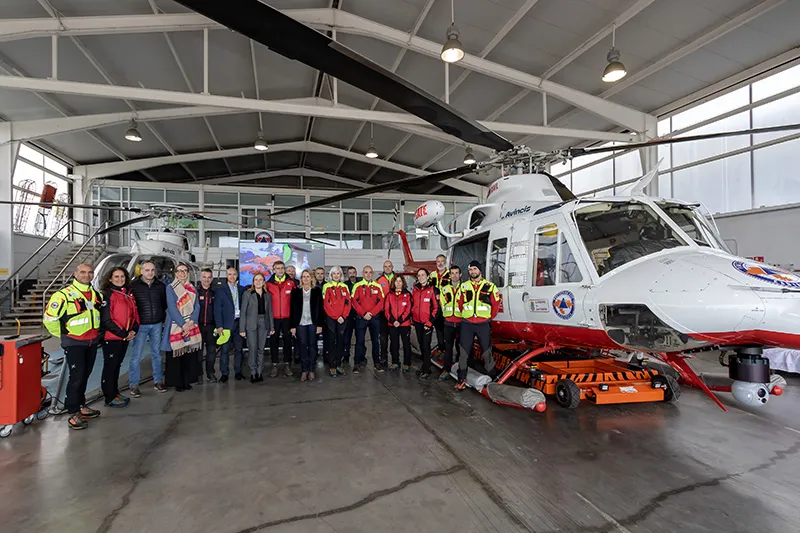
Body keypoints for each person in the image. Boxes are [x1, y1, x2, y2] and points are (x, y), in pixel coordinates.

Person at [43, 263, 103, 430]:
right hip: (74, 343)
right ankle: (73, 412)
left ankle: (82, 405)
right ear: (75, 274)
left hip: (91, 342)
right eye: (83, 272)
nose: (86, 275)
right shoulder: (63, 296)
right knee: (76, 377)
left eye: (90, 272)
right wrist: (65, 335)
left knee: (85, 375)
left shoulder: (95, 295)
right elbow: (49, 319)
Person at [455, 260, 500, 391]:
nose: (472, 272)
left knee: (487, 352)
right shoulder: (464, 286)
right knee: (463, 353)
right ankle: (461, 379)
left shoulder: (490, 286)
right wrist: (467, 315)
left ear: (480, 270)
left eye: (475, 269)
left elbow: (495, 305)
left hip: (483, 324)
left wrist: (487, 318)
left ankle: (493, 379)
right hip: (467, 324)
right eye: (470, 270)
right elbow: (459, 302)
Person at [99, 267, 139, 408]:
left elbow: (133, 313)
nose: (120, 279)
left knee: (117, 366)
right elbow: (107, 320)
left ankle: (114, 393)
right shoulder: (107, 295)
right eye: (116, 277)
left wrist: (134, 329)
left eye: (122, 276)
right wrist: (123, 333)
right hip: (112, 338)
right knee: (110, 367)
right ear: (110, 278)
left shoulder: (126, 294)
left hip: (123, 338)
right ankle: (109, 397)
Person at [129, 260, 168, 396]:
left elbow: (164, 304)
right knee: (136, 356)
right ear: (141, 271)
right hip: (140, 326)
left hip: (156, 324)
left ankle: (158, 381)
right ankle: (134, 384)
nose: (150, 273)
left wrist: (160, 318)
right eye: (147, 270)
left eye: (152, 270)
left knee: (156, 354)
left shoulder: (160, 286)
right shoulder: (133, 286)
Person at [161, 263, 201, 392]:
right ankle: (177, 382)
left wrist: (191, 322)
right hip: (176, 325)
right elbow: (172, 307)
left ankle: (186, 380)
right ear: (175, 273)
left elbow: (197, 306)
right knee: (177, 355)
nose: (182, 273)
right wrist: (183, 324)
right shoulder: (171, 288)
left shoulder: (192, 288)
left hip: (190, 325)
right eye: (180, 271)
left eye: (185, 271)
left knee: (188, 355)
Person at [291, 269, 325, 382]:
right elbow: (292, 310)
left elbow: (321, 309)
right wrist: (293, 326)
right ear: (301, 279)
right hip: (300, 324)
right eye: (303, 276)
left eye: (308, 276)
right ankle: (304, 370)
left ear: (312, 278)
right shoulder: (296, 292)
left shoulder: (316, 291)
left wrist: (319, 325)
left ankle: (311, 370)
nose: (305, 279)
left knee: (312, 346)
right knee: (302, 347)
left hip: (312, 324)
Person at [240, 273, 274, 383]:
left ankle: (260, 372)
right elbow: (243, 312)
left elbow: (270, 312)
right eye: (256, 280)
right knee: (252, 349)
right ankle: (253, 372)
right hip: (251, 324)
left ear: (264, 282)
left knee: (261, 349)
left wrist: (271, 326)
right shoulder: (247, 294)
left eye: (260, 280)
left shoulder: (267, 295)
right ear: (253, 282)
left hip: (264, 323)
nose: (258, 282)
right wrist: (242, 329)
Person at [214, 267, 245, 382]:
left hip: (239, 323)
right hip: (226, 325)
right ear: (226, 276)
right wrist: (219, 325)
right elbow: (217, 310)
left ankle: (238, 372)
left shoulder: (242, 290)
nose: (232, 276)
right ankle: (224, 373)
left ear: (237, 275)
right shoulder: (220, 290)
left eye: (234, 274)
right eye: (229, 274)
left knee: (239, 349)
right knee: (225, 350)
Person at [351, 265, 385, 373]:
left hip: (374, 318)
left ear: (373, 273)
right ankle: (356, 363)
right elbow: (354, 302)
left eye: (370, 272)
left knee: (376, 341)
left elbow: (381, 302)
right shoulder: (357, 286)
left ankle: (377, 363)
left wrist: (372, 313)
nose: (368, 274)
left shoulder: (377, 286)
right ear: (363, 273)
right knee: (359, 341)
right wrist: (363, 313)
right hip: (361, 318)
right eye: (366, 272)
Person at [266, 260, 296, 377]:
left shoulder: (291, 283)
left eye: (282, 268)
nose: (280, 270)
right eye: (277, 268)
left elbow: (295, 303)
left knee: (288, 341)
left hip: (287, 318)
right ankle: (274, 365)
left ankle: (288, 364)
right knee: (273, 342)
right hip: (273, 318)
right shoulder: (268, 284)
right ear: (273, 270)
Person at [322, 266, 351, 377]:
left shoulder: (345, 287)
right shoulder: (326, 286)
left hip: (342, 319)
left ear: (341, 275)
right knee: (331, 341)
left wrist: (343, 316)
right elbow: (326, 304)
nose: (336, 275)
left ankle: (339, 364)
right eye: (334, 274)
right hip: (331, 319)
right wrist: (335, 316)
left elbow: (348, 303)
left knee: (341, 341)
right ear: (331, 275)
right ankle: (332, 366)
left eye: (338, 273)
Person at [412, 268, 439, 380]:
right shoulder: (415, 289)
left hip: (426, 323)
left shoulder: (433, 289)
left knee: (426, 346)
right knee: (421, 346)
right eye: (419, 275)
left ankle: (427, 370)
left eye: (423, 275)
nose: (421, 277)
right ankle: (424, 366)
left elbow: (437, 308)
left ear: (428, 276)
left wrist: (429, 322)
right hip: (417, 322)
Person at [438, 265, 462, 381]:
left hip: (462, 323)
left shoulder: (465, 288)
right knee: (448, 348)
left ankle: (462, 369)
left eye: (457, 273)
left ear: (460, 275)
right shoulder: (445, 289)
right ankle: (446, 369)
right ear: (450, 275)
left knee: (462, 347)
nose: (454, 275)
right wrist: (446, 315)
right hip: (448, 323)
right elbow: (442, 303)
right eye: (452, 273)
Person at [384, 274, 412, 372]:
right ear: (393, 283)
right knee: (394, 344)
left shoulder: (408, 294)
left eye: (400, 281)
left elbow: (408, 310)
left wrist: (399, 321)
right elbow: (386, 310)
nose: (398, 283)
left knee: (406, 344)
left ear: (403, 282)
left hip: (404, 324)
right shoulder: (389, 295)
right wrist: (393, 321)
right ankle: (395, 362)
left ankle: (406, 363)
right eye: (396, 281)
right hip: (392, 325)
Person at [196, 268, 218, 383]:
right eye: (204, 277)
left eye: (209, 277)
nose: (206, 280)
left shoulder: (215, 292)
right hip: (198, 326)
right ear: (200, 278)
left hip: (211, 327)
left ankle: (210, 373)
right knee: (198, 353)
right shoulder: (195, 292)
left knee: (211, 352)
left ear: (212, 279)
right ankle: (198, 374)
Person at [429, 254, 450, 356]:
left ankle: (448, 349)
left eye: (442, 261)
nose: (440, 263)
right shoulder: (432, 275)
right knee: (438, 329)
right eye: (438, 261)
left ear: (445, 262)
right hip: (435, 307)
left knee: (447, 329)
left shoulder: (450, 274)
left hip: (446, 307)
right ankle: (441, 347)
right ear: (436, 262)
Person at [376, 260, 396, 367]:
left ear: (392, 267)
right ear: (383, 268)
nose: (387, 268)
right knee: (383, 338)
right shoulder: (379, 280)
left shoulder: (398, 279)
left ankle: (395, 359)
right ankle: (383, 358)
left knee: (394, 338)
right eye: (385, 266)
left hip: (395, 313)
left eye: (389, 266)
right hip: (383, 314)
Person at [343, 266, 360, 365]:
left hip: (359, 315)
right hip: (348, 315)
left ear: (356, 273)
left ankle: (360, 357)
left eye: (354, 272)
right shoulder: (344, 285)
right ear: (347, 274)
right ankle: (346, 357)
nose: (352, 274)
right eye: (350, 273)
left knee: (360, 338)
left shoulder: (360, 284)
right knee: (346, 338)